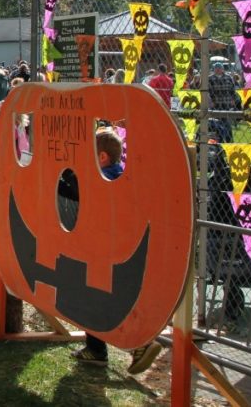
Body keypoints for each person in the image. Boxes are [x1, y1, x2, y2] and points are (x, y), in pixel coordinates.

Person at [70, 128, 163, 374]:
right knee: (101, 299)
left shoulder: (105, 178)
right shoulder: (120, 175)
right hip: (119, 249)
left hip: (106, 249)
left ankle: (137, 343)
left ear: (102, 157)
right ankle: (98, 348)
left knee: (97, 299)